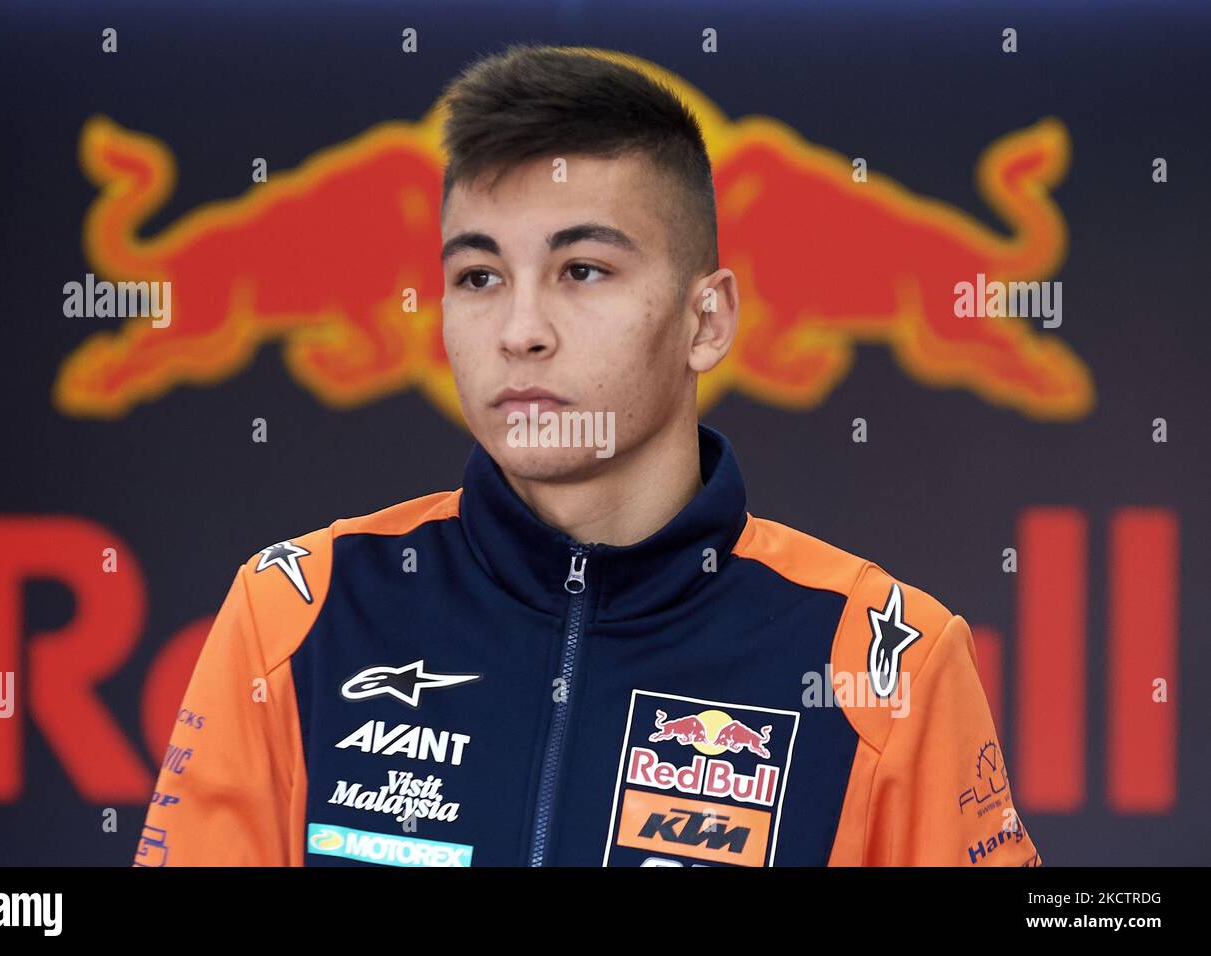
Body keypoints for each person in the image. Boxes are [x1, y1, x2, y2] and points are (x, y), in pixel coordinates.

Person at [134, 43, 1041, 868]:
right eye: (479, 277)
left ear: (707, 318)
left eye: (583, 271)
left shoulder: (889, 664)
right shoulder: (296, 614)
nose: (521, 331)